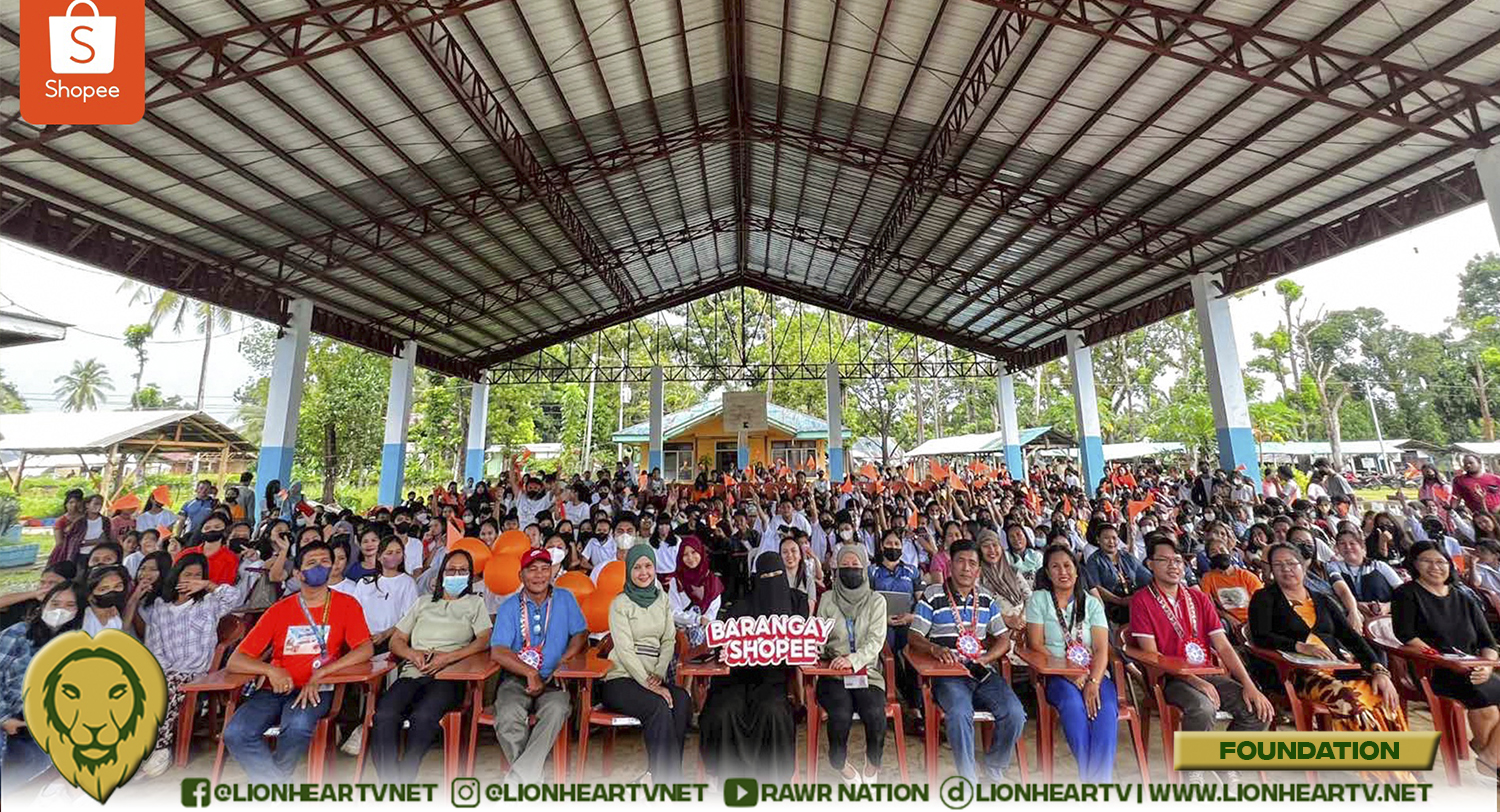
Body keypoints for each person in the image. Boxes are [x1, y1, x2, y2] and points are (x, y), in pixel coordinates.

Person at [1249, 543, 1411, 782]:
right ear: (1271, 570)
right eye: (1278, 565)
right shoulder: (1264, 598)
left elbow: (1352, 637)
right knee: (1348, 699)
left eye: (1291, 563)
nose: (1286, 570)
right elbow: (1260, 635)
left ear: (1303, 565)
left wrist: (1379, 670)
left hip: (1336, 669)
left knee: (1383, 694)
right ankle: (1373, 775)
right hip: (1296, 675)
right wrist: (1299, 646)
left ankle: (1400, 771)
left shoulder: (1322, 600)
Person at [225, 541, 374, 783]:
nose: (320, 567)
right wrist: (270, 670)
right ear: (297, 573)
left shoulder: (347, 604)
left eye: (325, 561)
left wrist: (322, 674)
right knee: (236, 733)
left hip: (316, 688)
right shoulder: (279, 609)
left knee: (297, 726)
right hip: (273, 688)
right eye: (312, 563)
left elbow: (365, 648)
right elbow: (236, 660)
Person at [1128, 536, 1273, 784]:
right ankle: (1192, 768)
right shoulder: (1142, 601)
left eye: (1178, 560)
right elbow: (1154, 657)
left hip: (1210, 674)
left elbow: (1224, 647)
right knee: (1203, 707)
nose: (1173, 566)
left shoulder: (1199, 599)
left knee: (1259, 711)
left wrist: (1249, 685)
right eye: (1164, 560)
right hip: (1170, 678)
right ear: (1150, 564)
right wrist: (1196, 681)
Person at [907, 540, 1026, 782]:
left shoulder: (986, 599)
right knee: (960, 714)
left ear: (979, 571)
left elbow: (1003, 639)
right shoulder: (933, 594)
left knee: (1015, 713)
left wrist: (986, 658)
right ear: (950, 565)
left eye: (972, 563)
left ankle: (993, 767)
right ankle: (968, 778)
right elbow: (914, 636)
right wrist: (935, 648)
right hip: (948, 673)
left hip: (982, 672)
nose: (966, 568)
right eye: (960, 561)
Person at [371, 549, 492, 781]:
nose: (456, 574)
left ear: (469, 576)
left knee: (423, 717)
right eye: (451, 570)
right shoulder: (423, 602)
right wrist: (411, 653)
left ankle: (406, 775)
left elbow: (484, 640)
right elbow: (396, 640)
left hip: (448, 676)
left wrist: (448, 657)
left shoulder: (474, 604)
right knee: (384, 715)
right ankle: (390, 783)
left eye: (462, 571)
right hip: (412, 671)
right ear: (441, 573)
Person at [133, 552, 253, 777]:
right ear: (176, 576)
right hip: (167, 668)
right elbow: (154, 643)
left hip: (196, 670)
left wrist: (208, 585)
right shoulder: (160, 605)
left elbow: (235, 598)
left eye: (198, 575)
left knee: (167, 686)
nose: (192, 580)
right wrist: (161, 668)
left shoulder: (209, 604)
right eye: (187, 575)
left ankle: (160, 748)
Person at [1391, 540, 1500, 778]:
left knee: (1486, 692)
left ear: (1450, 565)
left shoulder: (1463, 596)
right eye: (1426, 561)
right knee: (1485, 701)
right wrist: (1445, 661)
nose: (1435, 567)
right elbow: (1407, 636)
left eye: (1441, 561)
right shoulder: (1406, 594)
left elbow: (1487, 642)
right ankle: (1490, 763)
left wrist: (1485, 664)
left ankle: (1488, 758)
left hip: (1473, 668)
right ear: (1415, 564)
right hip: (1433, 670)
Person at [699, 551, 803, 780]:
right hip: (735, 676)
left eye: (777, 574)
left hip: (773, 679)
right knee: (723, 711)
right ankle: (725, 776)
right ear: (756, 579)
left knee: (773, 712)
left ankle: (772, 780)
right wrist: (723, 650)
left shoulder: (797, 602)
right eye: (766, 576)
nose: (772, 581)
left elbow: (803, 639)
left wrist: (806, 649)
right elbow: (722, 640)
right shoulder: (740, 606)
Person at [488, 548, 588, 782]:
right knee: (508, 715)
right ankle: (531, 778)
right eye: (532, 570)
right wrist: (529, 672)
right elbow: (499, 651)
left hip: (555, 679)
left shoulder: (565, 598)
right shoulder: (509, 606)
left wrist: (565, 659)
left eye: (545, 569)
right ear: (520, 575)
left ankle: (520, 779)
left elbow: (580, 634)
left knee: (557, 709)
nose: (539, 575)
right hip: (515, 679)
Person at [599, 545, 691, 783]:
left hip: (652, 677)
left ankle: (665, 776)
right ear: (628, 571)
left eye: (648, 566)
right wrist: (649, 684)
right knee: (658, 705)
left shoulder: (662, 600)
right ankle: (666, 782)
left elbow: (669, 639)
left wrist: (658, 675)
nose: (643, 572)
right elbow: (625, 650)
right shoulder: (620, 604)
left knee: (681, 700)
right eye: (637, 567)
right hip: (621, 679)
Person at [1024, 545, 1116, 782]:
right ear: (1047, 571)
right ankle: (1093, 783)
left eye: (1067, 565)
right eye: (1055, 566)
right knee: (1074, 706)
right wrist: (1068, 672)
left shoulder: (1092, 604)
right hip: (1057, 675)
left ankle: (1097, 784)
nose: (1062, 571)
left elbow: (1100, 649)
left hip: (1093, 673)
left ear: (1076, 570)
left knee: (1105, 710)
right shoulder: (1039, 599)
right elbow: (1035, 644)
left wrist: (1093, 681)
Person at [0, 581, 86, 794]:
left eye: (69, 605)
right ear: (43, 605)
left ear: (78, 611)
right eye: (55, 603)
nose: (60, 610)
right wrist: (3, 719)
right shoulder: (18, 634)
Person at [814, 545, 888, 785]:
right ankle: (840, 765)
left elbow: (876, 641)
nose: (850, 570)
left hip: (867, 672)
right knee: (840, 714)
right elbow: (819, 638)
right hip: (833, 674)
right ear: (836, 569)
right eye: (844, 566)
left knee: (875, 713)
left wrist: (852, 660)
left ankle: (872, 765)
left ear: (864, 569)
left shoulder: (877, 601)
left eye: (855, 566)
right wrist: (814, 650)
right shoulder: (827, 599)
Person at [1326, 527, 1403, 618]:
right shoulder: (1334, 567)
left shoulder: (1379, 566)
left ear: (1362, 546)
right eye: (1342, 543)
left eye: (1352, 543)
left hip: (1386, 620)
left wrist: (1387, 607)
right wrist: (1356, 605)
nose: (1348, 547)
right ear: (1337, 548)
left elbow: (1404, 594)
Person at [1084, 523, 1150, 624]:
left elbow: (1146, 577)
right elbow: (1095, 587)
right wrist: (1119, 600)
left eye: (1114, 538)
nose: (1111, 542)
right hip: (1112, 608)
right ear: (1098, 540)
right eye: (1106, 538)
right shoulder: (1094, 560)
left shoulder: (1126, 556)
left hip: (1134, 602)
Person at [666, 536, 722, 648]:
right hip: (681, 637)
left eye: (693, 552)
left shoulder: (712, 581)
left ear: (701, 552)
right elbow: (673, 612)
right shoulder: (676, 581)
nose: (690, 558)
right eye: (685, 555)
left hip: (707, 636)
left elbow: (712, 612)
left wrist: (705, 621)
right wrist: (696, 619)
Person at [1198, 534, 1262, 625]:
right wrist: (1226, 616)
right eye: (1213, 552)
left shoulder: (1246, 576)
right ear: (1209, 558)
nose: (1219, 553)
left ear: (1229, 552)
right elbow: (1208, 605)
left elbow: (1262, 603)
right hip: (1229, 623)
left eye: (1222, 550)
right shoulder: (1208, 578)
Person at [176, 513, 242, 585]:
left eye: (217, 527)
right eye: (207, 528)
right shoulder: (186, 553)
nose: (212, 530)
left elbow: (225, 588)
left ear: (225, 531)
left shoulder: (231, 558)